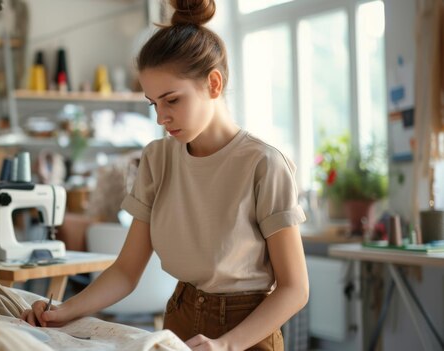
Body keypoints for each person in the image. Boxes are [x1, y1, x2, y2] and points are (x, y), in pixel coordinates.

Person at [23, 0, 309, 349]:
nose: (161, 117)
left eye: (172, 100)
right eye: (153, 103)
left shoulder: (264, 164)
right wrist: (63, 312)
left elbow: (295, 288)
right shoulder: (157, 159)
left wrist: (226, 345)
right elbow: (127, 271)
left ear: (214, 84)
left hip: (247, 332)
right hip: (178, 320)